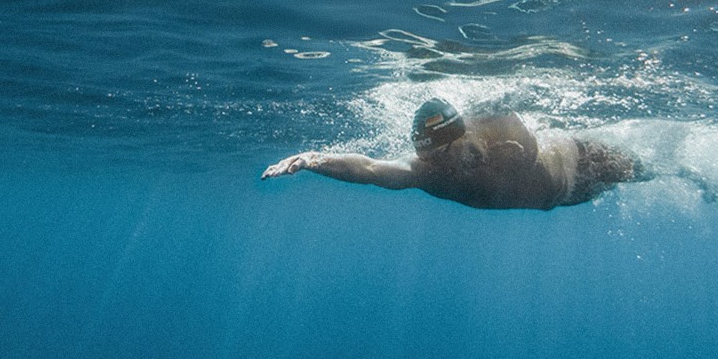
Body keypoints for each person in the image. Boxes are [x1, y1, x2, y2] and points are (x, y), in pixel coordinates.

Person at [261, 97, 652, 210]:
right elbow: (368, 168)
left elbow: (517, 134)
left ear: (462, 137)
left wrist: (488, 151)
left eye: (444, 154)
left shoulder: (503, 132)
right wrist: (315, 159)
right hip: (563, 199)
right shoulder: (426, 170)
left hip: (583, 164)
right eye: (431, 158)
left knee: (644, 171)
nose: (438, 165)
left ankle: (682, 172)